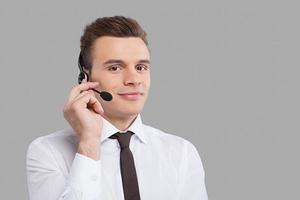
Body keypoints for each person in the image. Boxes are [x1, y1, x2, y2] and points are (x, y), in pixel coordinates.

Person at [26, 16, 208, 200]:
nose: (134, 79)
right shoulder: (48, 152)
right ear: (85, 78)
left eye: (141, 67)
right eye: (115, 68)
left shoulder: (181, 153)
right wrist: (89, 143)